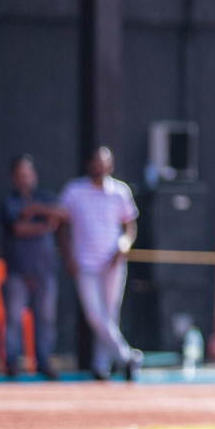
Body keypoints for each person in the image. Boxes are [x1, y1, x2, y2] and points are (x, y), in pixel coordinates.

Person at [59, 147, 141, 381]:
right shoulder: (74, 192)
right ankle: (126, 357)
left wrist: (123, 245)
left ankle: (100, 367)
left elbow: (130, 227)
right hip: (85, 263)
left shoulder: (120, 191)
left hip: (113, 264)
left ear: (111, 166)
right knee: (95, 315)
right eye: (95, 162)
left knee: (110, 315)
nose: (99, 167)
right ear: (88, 165)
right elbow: (61, 225)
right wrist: (68, 256)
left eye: (104, 163)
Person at [0, 155, 66, 380]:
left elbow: (64, 214)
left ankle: (43, 360)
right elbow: (17, 229)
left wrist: (37, 209)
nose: (24, 179)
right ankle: (11, 363)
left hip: (45, 270)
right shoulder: (9, 202)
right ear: (12, 178)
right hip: (17, 270)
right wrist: (45, 226)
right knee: (13, 318)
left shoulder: (44, 198)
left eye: (28, 174)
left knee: (46, 317)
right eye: (20, 175)